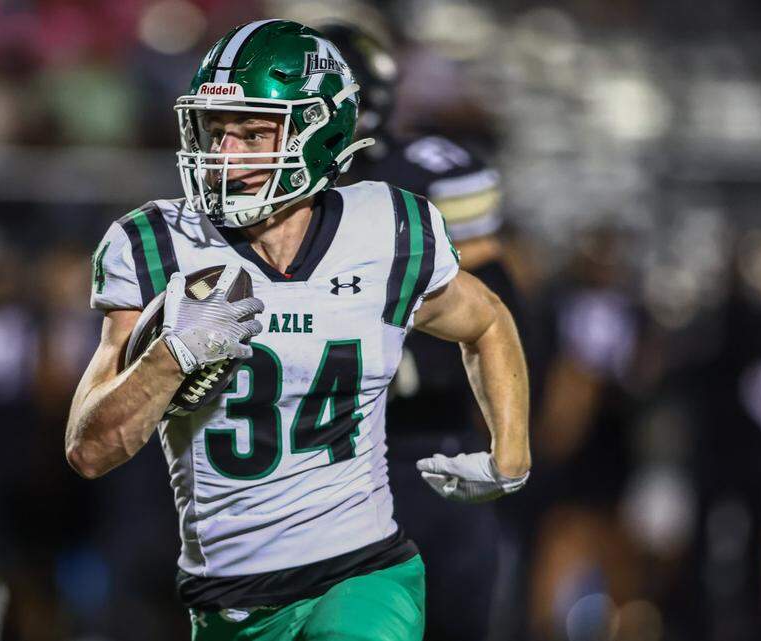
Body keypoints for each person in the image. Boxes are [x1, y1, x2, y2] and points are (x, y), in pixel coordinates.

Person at [65, 20, 531, 641]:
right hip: (228, 598)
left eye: (254, 133)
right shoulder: (155, 245)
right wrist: (172, 356)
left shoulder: (386, 229)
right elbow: (91, 449)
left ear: (319, 132)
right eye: (215, 131)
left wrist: (512, 454)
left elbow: (488, 320)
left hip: (363, 572)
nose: (226, 156)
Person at [318, 21, 529, 641]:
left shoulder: (427, 174)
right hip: (317, 456)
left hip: (425, 442)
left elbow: (495, 308)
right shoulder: (267, 192)